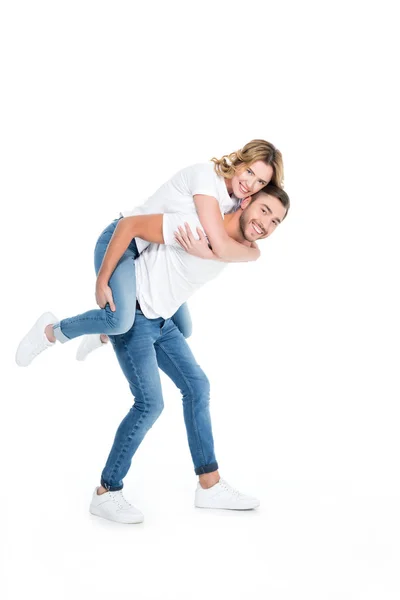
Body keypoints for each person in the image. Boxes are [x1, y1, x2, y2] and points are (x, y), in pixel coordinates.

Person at [17, 184, 290, 523]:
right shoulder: (193, 224)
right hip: (134, 315)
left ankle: (209, 484)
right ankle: (106, 491)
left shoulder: (241, 247)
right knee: (150, 404)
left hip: (163, 318)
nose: (267, 223)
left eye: (276, 221)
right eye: (264, 211)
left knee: (198, 387)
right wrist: (103, 282)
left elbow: (242, 252)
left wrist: (209, 252)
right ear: (245, 201)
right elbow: (128, 227)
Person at [15, 139, 283, 367]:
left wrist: (255, 254)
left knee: (183, 329)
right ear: (239, 160)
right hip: (124, 239)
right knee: (119, 319)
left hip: (156, 256)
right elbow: (224, 247)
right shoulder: (207, 181)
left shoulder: (238, 199)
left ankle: (104, 334)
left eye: (260, 181)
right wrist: (102, 279)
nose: (250, 184)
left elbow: (249, 247)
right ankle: (50, 331)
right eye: (249, 172)